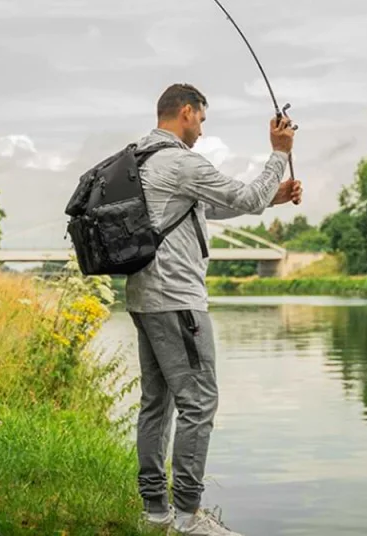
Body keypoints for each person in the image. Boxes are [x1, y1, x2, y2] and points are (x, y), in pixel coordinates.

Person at [127, 83, 301, 536]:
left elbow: (203, 208)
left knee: (156, 404)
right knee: (199, 402)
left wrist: (272, 197)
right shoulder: (181, 161)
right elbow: (242, 197)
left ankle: (153, 511)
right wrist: (279, 153)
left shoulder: (140, 160)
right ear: (186, 112)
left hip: (144, 297)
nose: (202, 130)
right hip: (178, 298)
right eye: (201, 119)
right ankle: (187, 517)